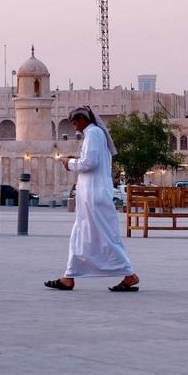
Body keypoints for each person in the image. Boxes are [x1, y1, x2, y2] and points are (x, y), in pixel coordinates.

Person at [46, 106, 140, 292]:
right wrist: (76, 159)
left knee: (104, 236)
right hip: (90, 194)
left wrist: (70, 163)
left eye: (75, 123)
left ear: (82, 120)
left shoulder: (94, 133)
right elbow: (90, 160)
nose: (75, 128)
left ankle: (129, 275)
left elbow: (90, 163)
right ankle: (69, 276)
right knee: (82, 235)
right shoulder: (94, 134)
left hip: (94, 195)